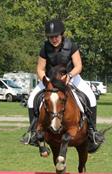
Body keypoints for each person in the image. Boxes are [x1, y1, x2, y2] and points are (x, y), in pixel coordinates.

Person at [21, 19, 104, 152]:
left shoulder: (71, 46)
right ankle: (34, 134)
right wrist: (45, 80)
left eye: (56, 36)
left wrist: (70, 76)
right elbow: (40, 69)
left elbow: (78, 66)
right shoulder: (45, 48)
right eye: (51, 37)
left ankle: (92, 132)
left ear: (62, 34)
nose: (54, 39)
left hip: (71, 78)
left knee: (91, 98)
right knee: (31, 100)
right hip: (50, 80)